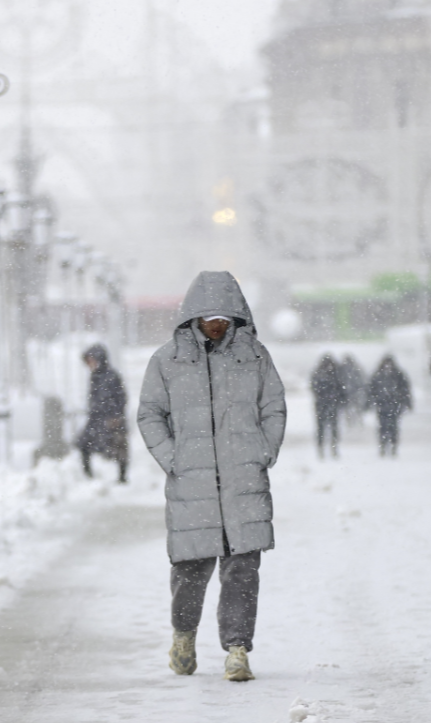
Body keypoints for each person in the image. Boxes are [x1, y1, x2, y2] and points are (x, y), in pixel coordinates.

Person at [138, 271, 286, 683]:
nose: (217, 324)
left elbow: (273, 406)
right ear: (193, 317)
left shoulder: (255, 356)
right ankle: (184, 637)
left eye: (224, 316)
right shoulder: (167, 361)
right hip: (192, 486)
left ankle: (237, 650)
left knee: (242, 572)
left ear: (237, 315)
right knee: (189, 572)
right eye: (209, 317)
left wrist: (264, 450)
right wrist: (173, 458)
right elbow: (150, 413)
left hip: (244, 484)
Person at [76, 343, 129, 483]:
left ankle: (122, 477)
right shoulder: (94, 377)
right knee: (83, 444)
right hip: (96, 419)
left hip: (112, 419)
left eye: (91, 360)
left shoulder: (112, 376)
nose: (90, 364)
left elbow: (121, 397)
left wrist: (116, 415)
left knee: (118, 448)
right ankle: (88, 476)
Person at [367, 355, 412, 457]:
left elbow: (405, 390)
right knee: (383, 427)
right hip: (383, 405)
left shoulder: (397, 375)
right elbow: (371, 390)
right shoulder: (380, 375)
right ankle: (384, 445)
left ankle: (392, 446)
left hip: (393, 405)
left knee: (393, 427)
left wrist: (407, 402)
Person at [310, 354, 347, 460]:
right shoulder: (325, 375)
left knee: (330, 428)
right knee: (324, 428)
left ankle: (331, 447)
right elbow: (315, 388)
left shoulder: (334, 375)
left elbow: (341, 390)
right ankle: (323, 448)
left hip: (329, 405)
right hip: (325, 405)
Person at [340, 355, 366, 428]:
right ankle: (357, 423)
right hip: (352, 392)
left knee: (350, 410)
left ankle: (352, 423)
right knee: (355, 410)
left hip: (350, 393)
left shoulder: (342, 369)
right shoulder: (356, 369)